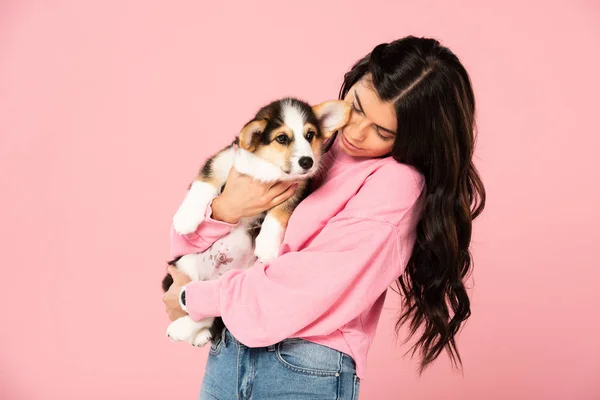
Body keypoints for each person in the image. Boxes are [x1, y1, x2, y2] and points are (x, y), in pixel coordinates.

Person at [163, 35, 486, 400]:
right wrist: (227, 209)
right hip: (228, 350)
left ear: (415, 140)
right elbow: (184, 245)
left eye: (383, 132)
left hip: (302, 368)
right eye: (358, 107)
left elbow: (302, 287)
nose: (356, 132)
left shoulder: (395, 184)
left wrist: (195, 298)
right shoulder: (308, 143)